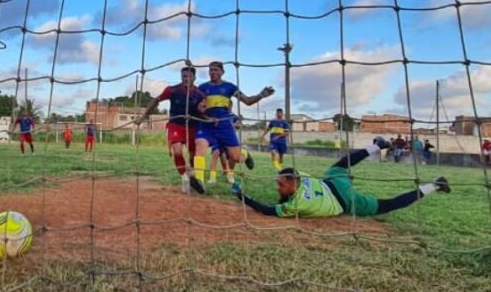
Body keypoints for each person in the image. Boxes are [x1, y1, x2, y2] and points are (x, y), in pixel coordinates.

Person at [232, 137, 450, 217]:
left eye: (280, 184)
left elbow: (268, 210)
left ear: (292, 182)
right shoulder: (302, 176)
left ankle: (436, 185)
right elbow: (285, 185)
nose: (277, 187)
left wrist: (243, 197)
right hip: (332, 182)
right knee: (342, 164)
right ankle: (377, 145)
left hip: (344, 202)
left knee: (389, 205)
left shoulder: (297, 205)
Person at [190, 61, 275, 194]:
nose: (213, 72)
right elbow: (195, 107)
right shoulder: (202, 88)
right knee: (200, 145)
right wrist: (202, 112)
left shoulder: (230, 87)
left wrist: (261, 95)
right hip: (206, 125)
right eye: (211, 70)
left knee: (235, 158)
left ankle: (245, 154)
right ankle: (199, 182)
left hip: (224, 126)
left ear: (222, 72)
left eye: (216, 70)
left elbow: (247, 101)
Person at [137, 65, 206, 192]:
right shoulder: (172, 90)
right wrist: (143, 116)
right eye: (184, 76)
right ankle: (184, 178)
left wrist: (209, 117)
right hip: (175, 125)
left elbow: (203, 112)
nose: (186, 79)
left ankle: (194, 176)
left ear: (194, 78)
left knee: (193, 156)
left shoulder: (200, 94)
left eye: (189, 76)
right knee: (177, 152)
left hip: (193, 127)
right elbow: (156, 100)